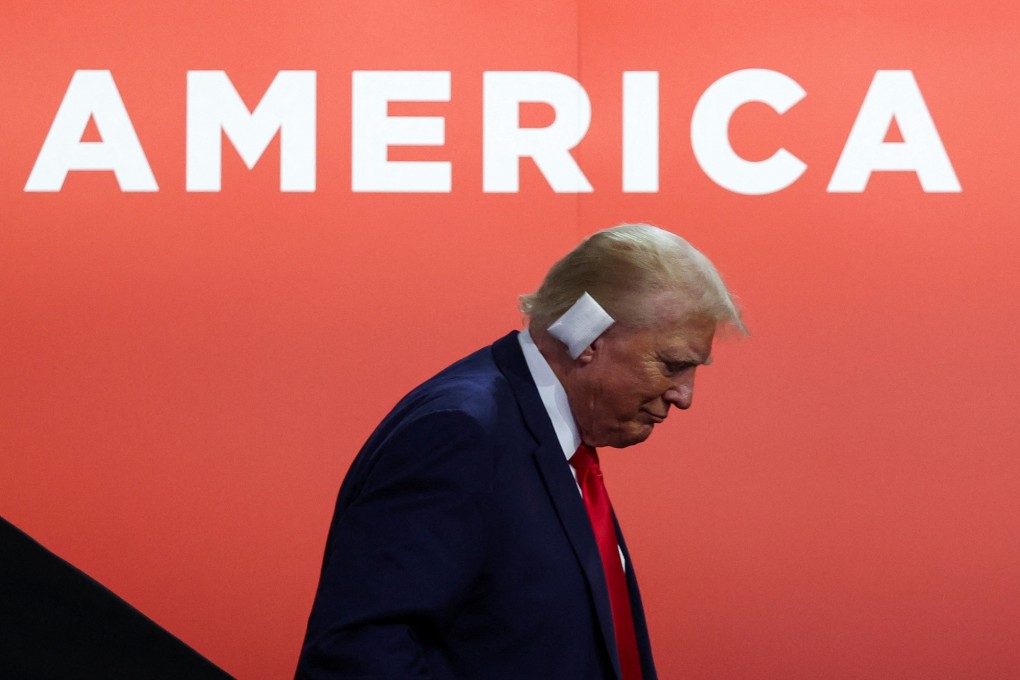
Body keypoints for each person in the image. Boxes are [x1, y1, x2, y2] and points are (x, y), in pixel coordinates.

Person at [295, 223, 745, 680]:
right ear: (588, 339)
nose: (684, 396)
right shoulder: (461, 434)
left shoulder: (551, 438)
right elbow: (357, 656)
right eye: (672, 364)